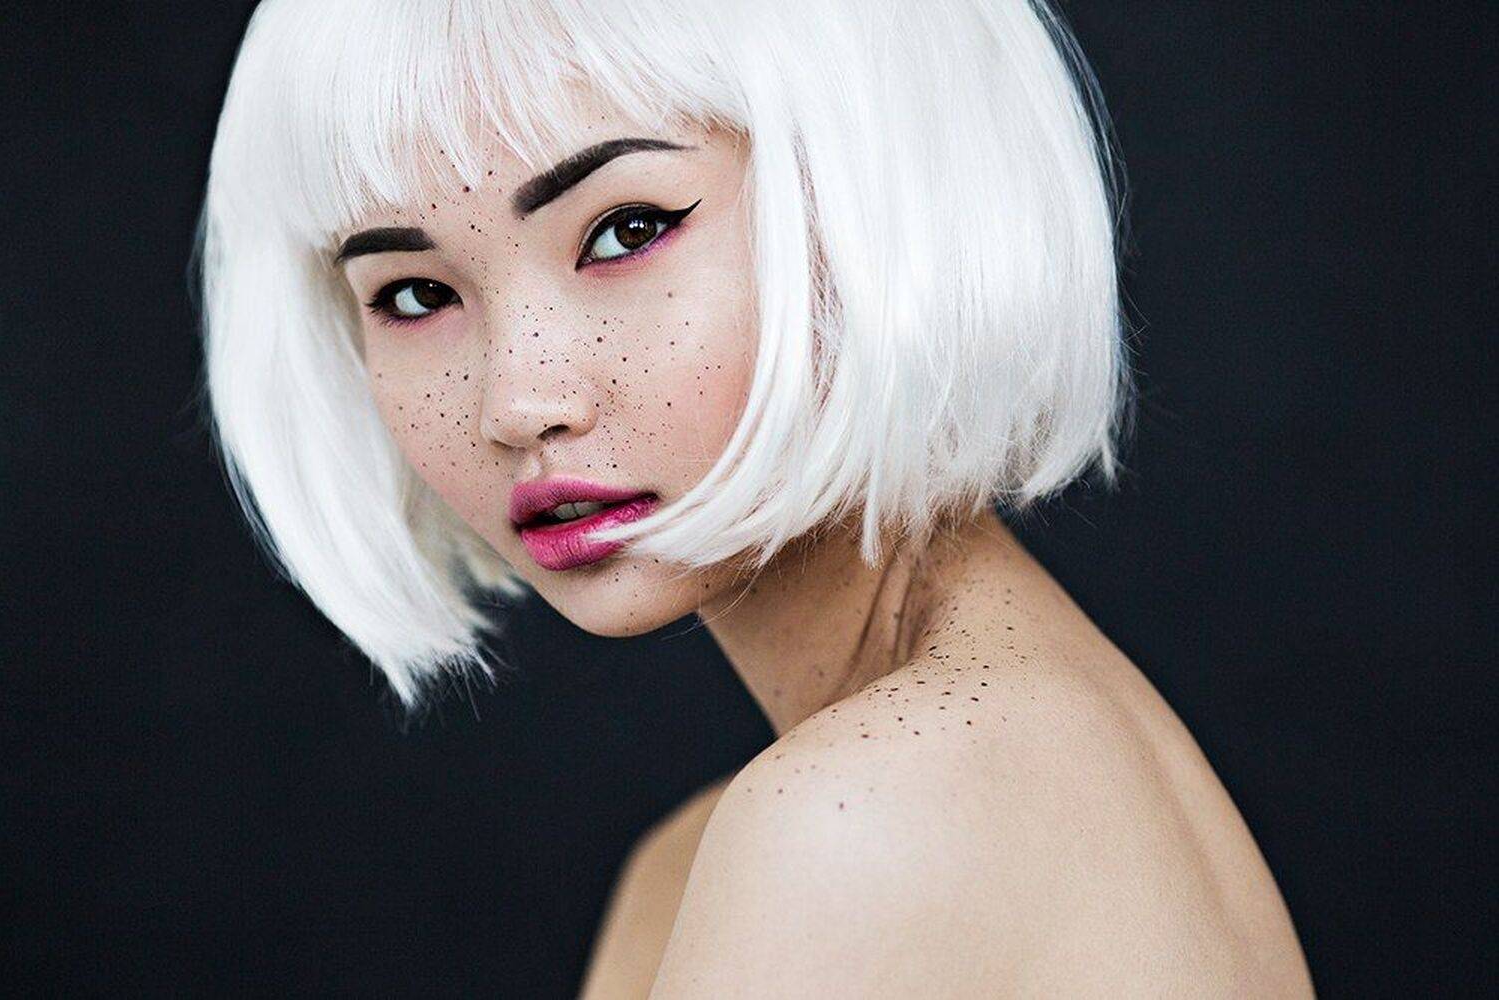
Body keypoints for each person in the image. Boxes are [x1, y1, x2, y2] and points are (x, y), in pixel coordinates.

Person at [193, 0, 1315, 994]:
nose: (518, 400)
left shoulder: (867, 815)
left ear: (876, 188)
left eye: (626, 231)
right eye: (414, 293)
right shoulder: (721, 850)